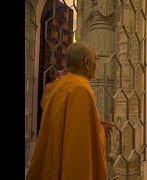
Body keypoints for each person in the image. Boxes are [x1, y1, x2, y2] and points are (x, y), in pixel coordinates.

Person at [27, 42, 114, 180]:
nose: (96, 65)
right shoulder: (81, 89)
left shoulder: (59, 84)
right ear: (86, 62)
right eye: (95, 60)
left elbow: (68, 125)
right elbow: (79, 146)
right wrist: (101, 132)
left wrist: (99, 126)